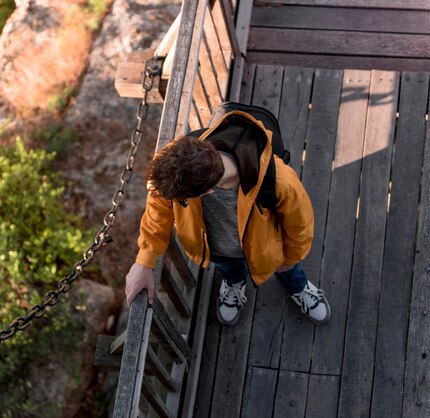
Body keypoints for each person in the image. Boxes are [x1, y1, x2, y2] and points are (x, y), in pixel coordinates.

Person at [124, 112, 330, 326]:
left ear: (207, 193)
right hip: (218, 250)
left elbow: (300, 225)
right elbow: (158, 203)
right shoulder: (178, 156)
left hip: (268, 250)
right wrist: (144, 261)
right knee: (231, 272)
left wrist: (290, 258)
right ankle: (234, 285)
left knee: (289, 273)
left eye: (183, 201)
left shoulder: (278, 180)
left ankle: (298, 287)